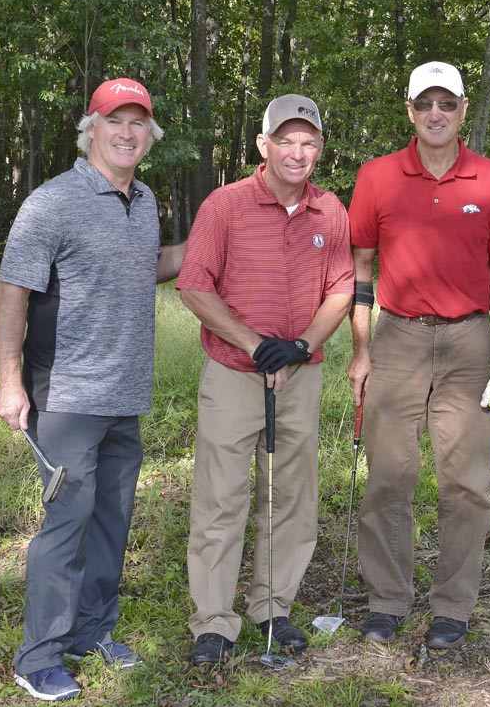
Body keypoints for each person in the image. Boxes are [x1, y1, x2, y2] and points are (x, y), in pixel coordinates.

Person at [0, 77, 185, 701]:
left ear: (150, 135)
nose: (127, 133)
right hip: (67, 394)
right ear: (91, 130)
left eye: (138, 123)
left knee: (111, 520)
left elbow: (144, 266)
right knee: (67, 522)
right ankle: (38, 657)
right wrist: (10, 382)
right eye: (114, 121)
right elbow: (12, 290)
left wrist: (205, 243)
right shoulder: (52, 202)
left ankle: (91, 632)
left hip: (125, 394)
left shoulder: (144, 200)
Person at [347, 61, 490, 649]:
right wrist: (361, 349)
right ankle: (387, 599)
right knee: (388, 477)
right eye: (424, 103)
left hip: (470, 341)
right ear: (410, 111)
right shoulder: (376, 177)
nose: (435, 114)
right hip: (397, 338)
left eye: (447, 103)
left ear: (463, 109)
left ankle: (453, 604)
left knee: (467, 482)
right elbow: (361, 269)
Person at [176, 94, 353, 665]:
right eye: (286, 140)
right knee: (221, 498)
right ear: (264, 145)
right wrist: (254, 343)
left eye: (308, 142)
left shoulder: (331, 210)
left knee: (292, 497)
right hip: (234, 373)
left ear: (319, 148)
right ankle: (214, 622)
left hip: (300, 376)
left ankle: (272, 606)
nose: (297, 152)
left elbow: (342, 289)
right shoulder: (225, 205)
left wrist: (302, 345)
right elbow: (194, 285)